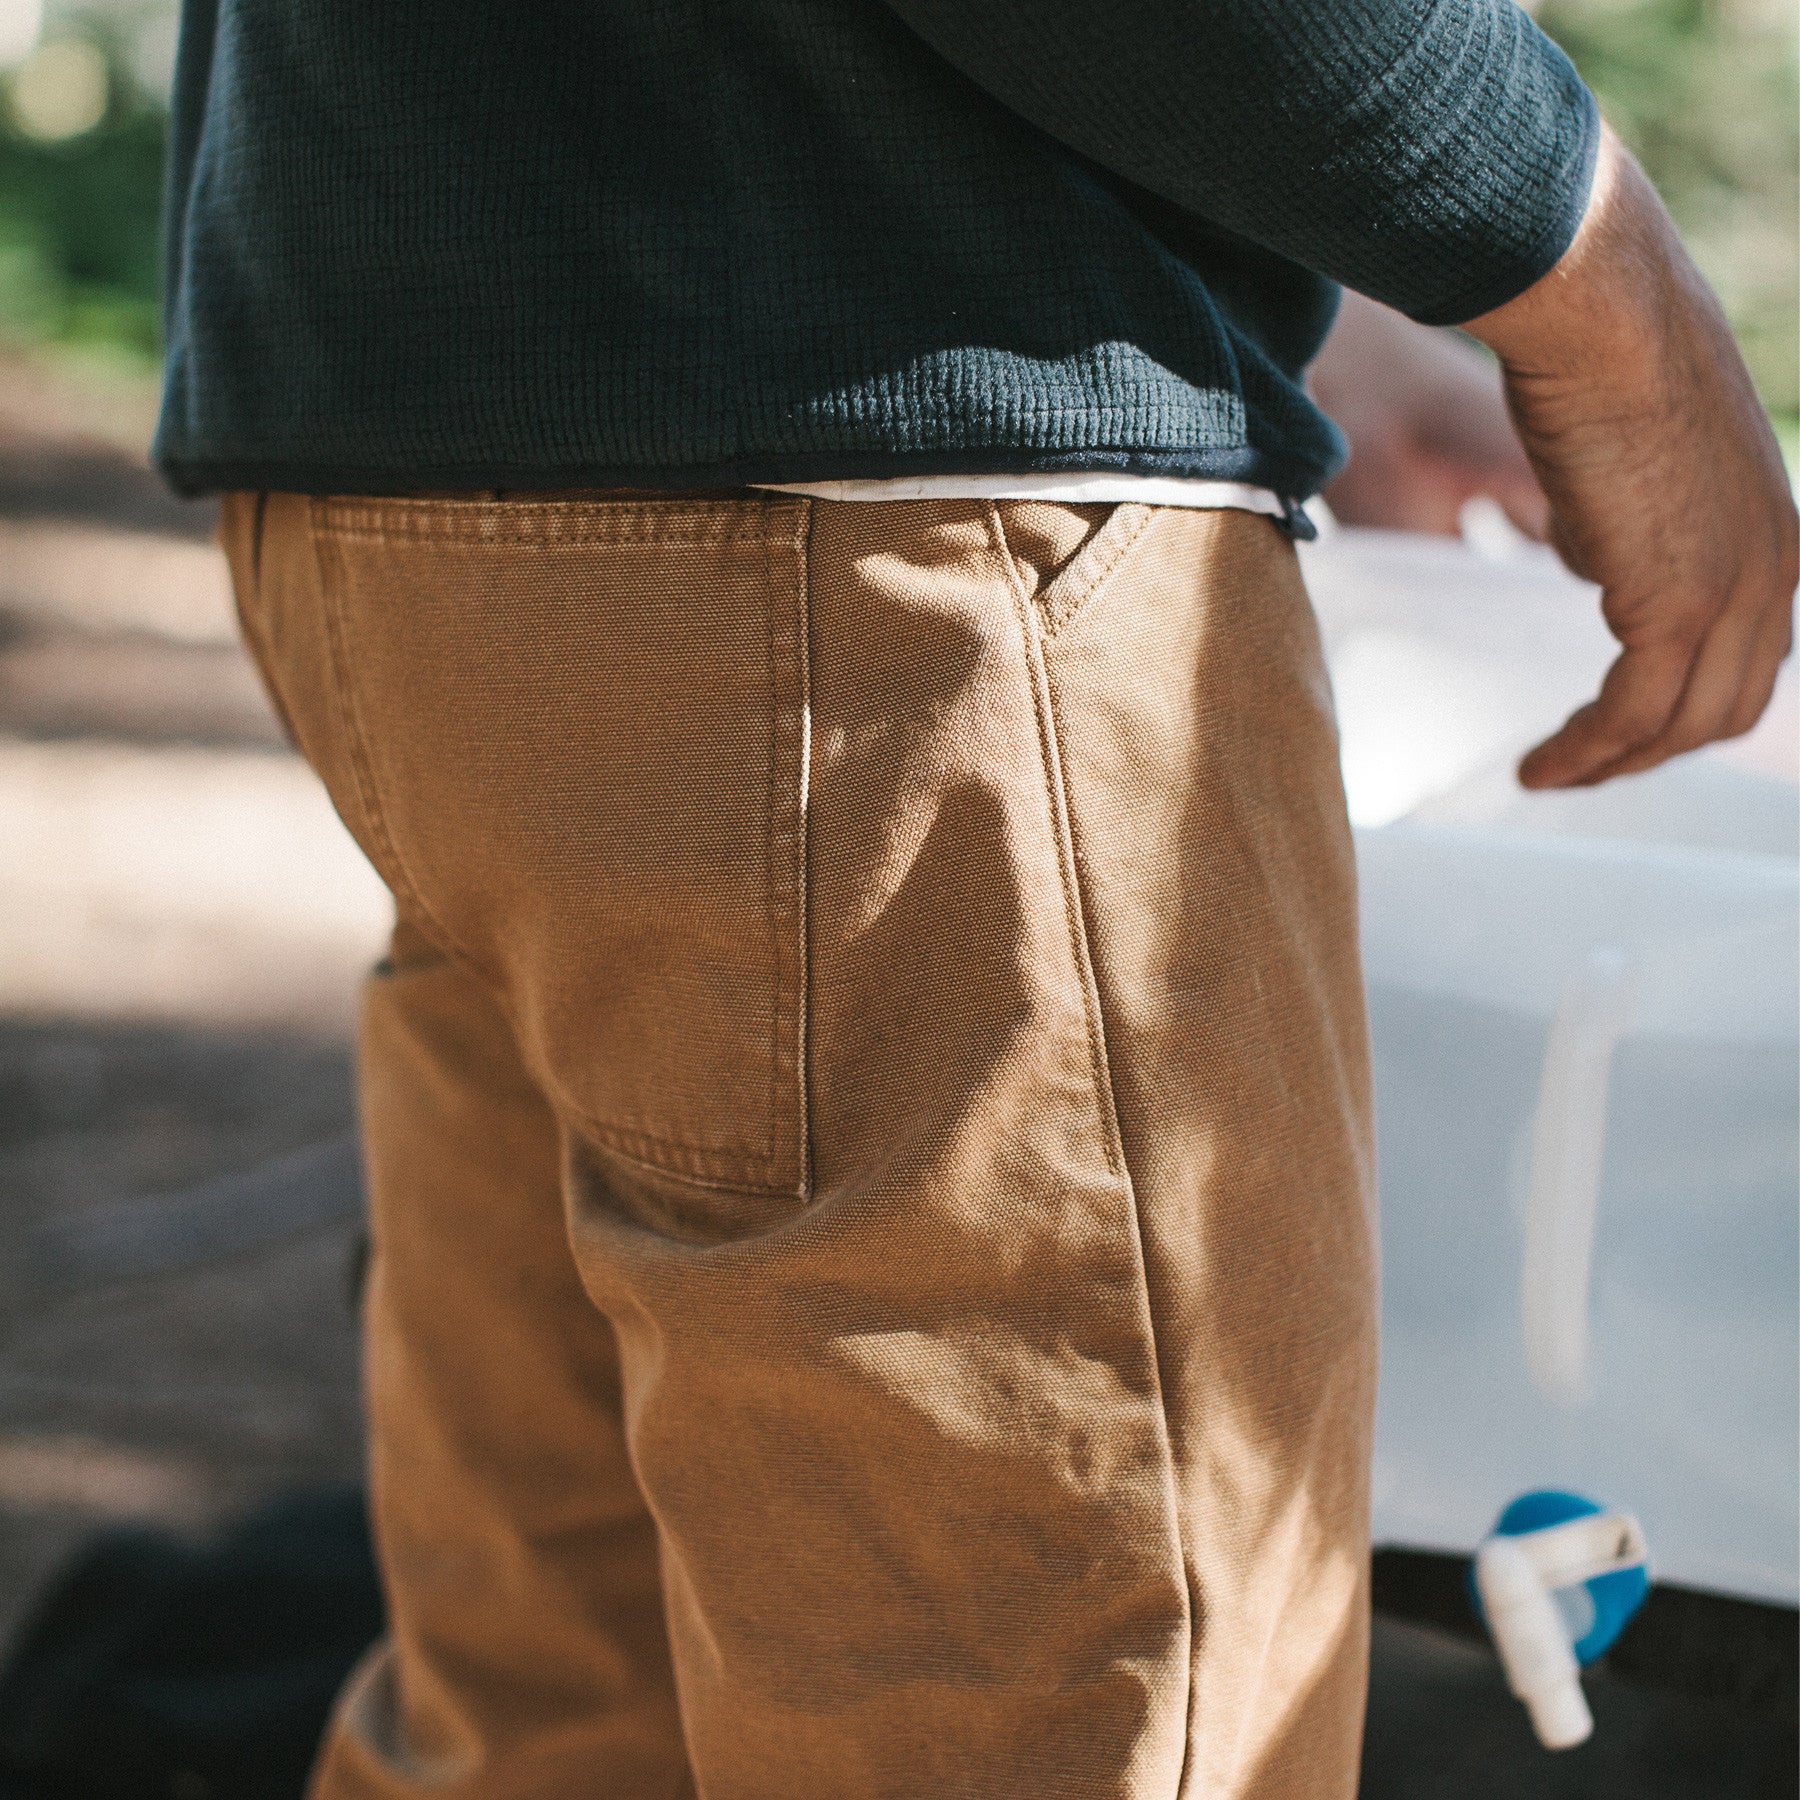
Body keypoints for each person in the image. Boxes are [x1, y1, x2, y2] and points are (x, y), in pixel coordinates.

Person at [153, 2, 1795, 1796]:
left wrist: (1284, 280)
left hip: (409, 474)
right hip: (892, 581)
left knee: (556, 1721)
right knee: (1055, 1726)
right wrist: (1586, 260)